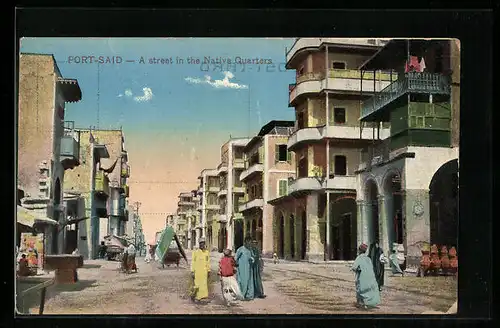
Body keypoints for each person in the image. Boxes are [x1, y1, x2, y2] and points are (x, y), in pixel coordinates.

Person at [351, 243, 381, 309]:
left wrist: (358, 269)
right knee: (371, 290)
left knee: (360, 289)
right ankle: (370, 303)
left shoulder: (359, 258)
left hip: (362, 279)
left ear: (359, 250)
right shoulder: (368, 259)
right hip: (371, 279)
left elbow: (354, 268)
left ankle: (362, 303)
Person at [190, 238, 211, 303]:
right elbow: (193, 262)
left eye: (203, 243)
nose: (202, 245)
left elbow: (208, 262)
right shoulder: (195, 252)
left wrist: (208, 270)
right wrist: (192, 271)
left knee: (204, 284)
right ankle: (195, 297)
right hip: (197, 271)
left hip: (204, 271)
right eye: (200, 243)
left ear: (205, 244)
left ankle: (202, 297)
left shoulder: (207, 252)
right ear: (199, 244)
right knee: (197, 285)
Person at [235, 236, 255, 301]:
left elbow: (253, 257)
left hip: (249, 268)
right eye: (248, 242)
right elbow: (236, 258)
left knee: (250, 282)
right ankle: (242, 295)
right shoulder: (240, 249)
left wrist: (252, 259)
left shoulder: (250, 250)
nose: (249, 244)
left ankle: (249, 295)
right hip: (242, 269)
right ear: (245, 242)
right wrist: (236, 265)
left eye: (250, 242)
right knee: (242, 282)